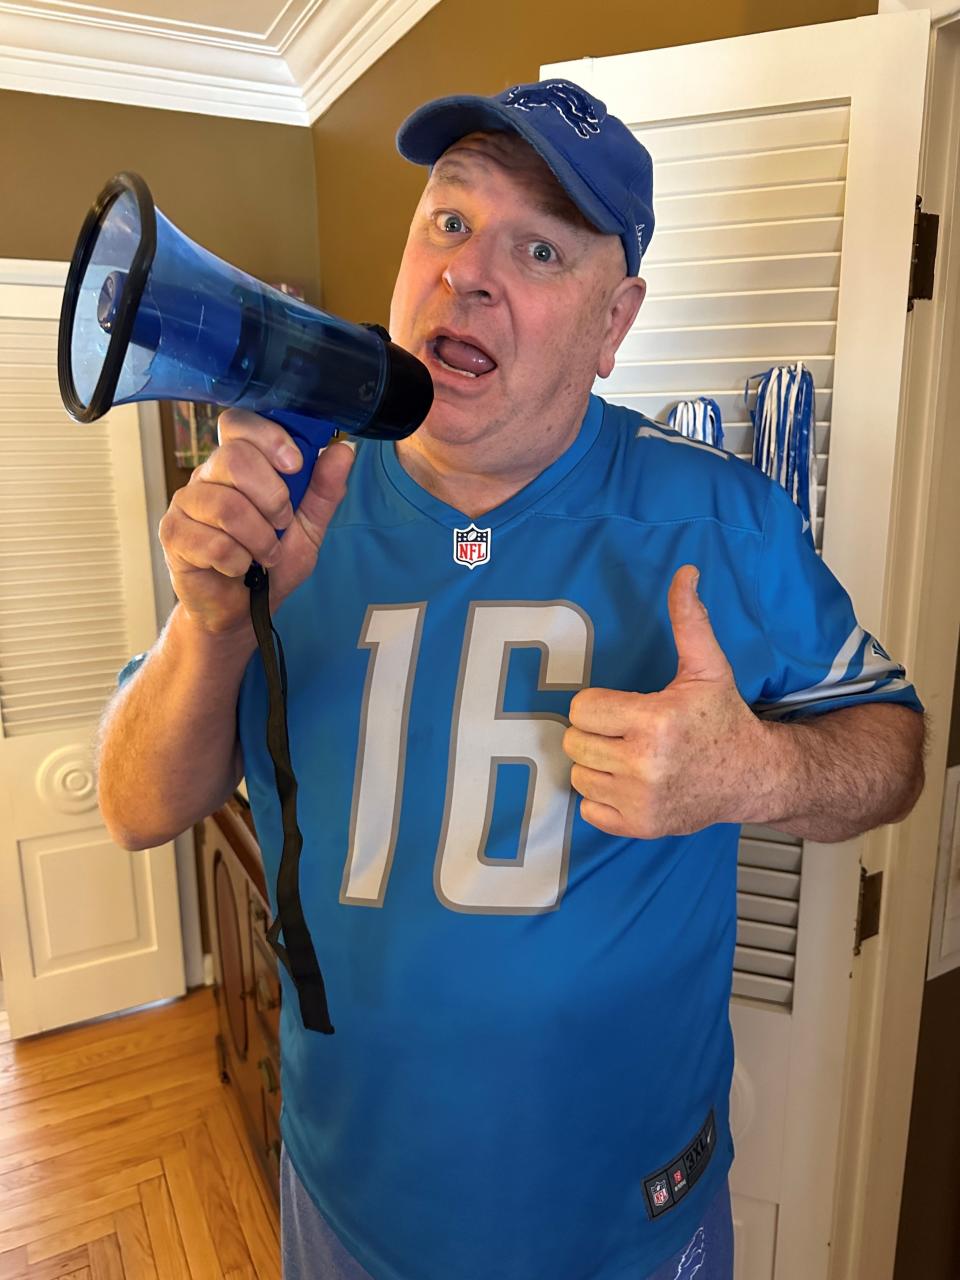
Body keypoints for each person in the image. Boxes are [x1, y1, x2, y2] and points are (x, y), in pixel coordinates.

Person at [99, 79, 926, 1280]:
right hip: (346, 1200)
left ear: (614, 321)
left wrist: (760, 767)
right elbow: (133, 804)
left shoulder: (721, 521)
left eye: (539, 247)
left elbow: (893, 749)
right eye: (448, 220)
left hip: (633, 1226)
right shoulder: (287, 496)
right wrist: (212, 621)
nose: (469, 272)